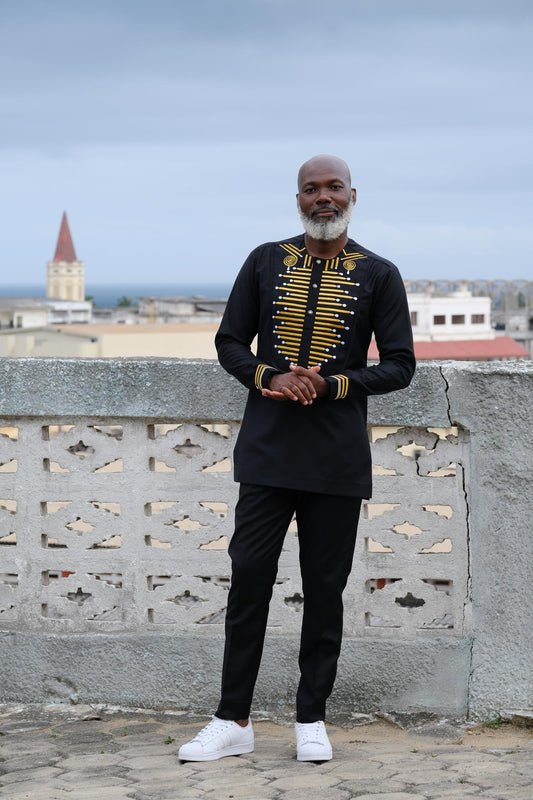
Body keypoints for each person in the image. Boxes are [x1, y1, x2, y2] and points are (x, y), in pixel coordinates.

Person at [179, 154, 415, 762]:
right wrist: (270, 377)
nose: (323, 198)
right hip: (266, 453)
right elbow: (229, 341)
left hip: (337, 458)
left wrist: (333, 384)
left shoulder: (380, 274)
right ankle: (232, 719)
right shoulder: (264, 260)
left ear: (353, 195)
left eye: (333, 187)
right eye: (311, 189)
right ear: (299, 200)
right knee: (249, 580)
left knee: (325, 588)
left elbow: (400, 365)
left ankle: (311, 719)